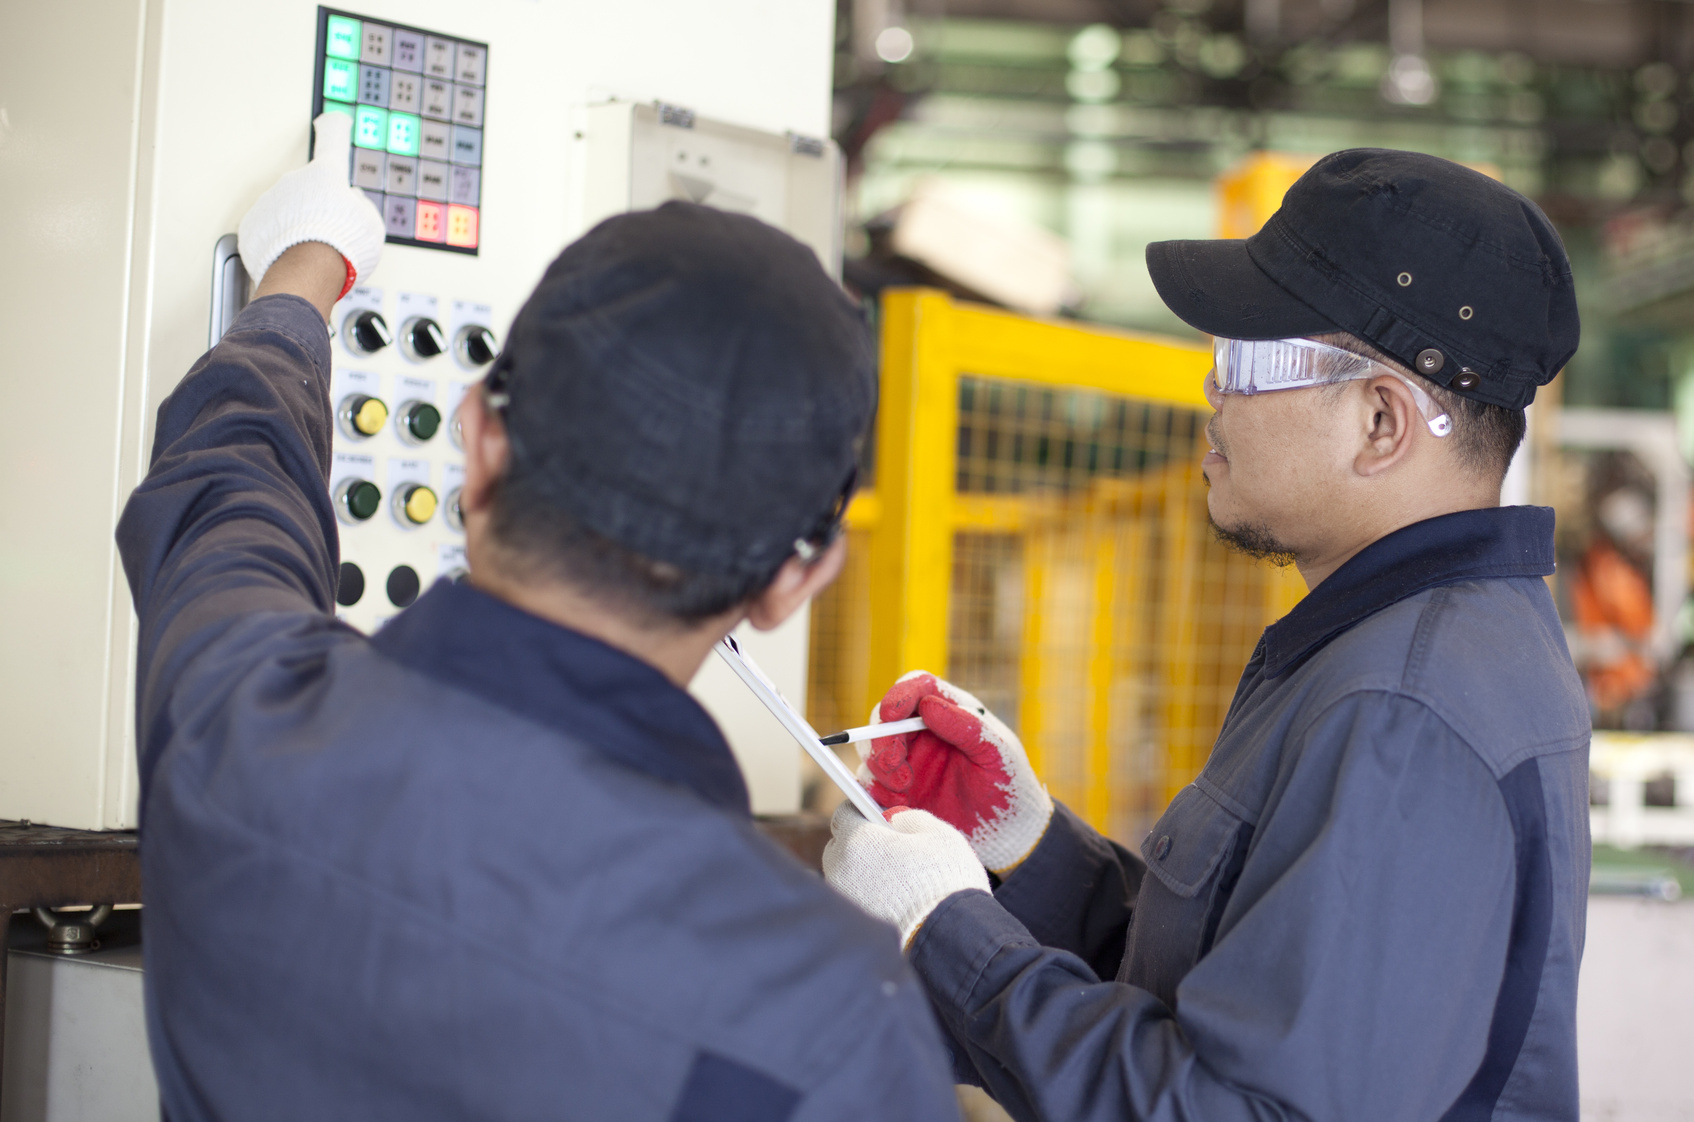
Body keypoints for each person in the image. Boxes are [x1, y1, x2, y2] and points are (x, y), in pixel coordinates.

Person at [117, 114, 961, 1121]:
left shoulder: (235, 712)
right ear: (797, 581)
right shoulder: (824, 1008)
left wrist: (302, 277)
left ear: (475, 441)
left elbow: (225, 490)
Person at [822, 148, 1590, 1122]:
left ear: (1382, 422)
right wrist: (1031, 854)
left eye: (1249, 360)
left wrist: (945, 928)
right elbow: (1231, 996)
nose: (1212, 395)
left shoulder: (1402, 709)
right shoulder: (1384, 650)